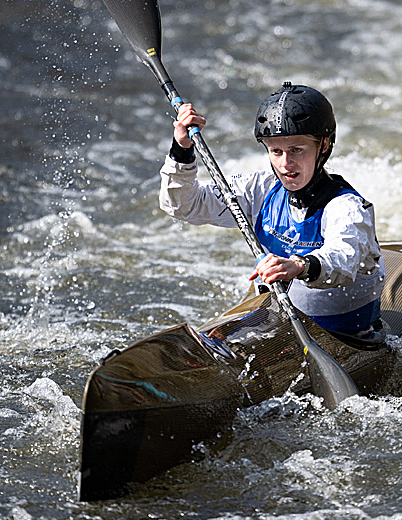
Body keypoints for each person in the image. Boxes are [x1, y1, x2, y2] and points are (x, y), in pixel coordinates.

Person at [159, 82, 385, 338]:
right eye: (276, 151)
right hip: (277, 326)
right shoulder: (260, 189)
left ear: (323, 146)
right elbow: (184, 206)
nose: (285, 163)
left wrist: (299, 266)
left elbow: (344, 259)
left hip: (345, 337)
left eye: (296, 150)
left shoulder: (347, 208)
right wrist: (182, 149)